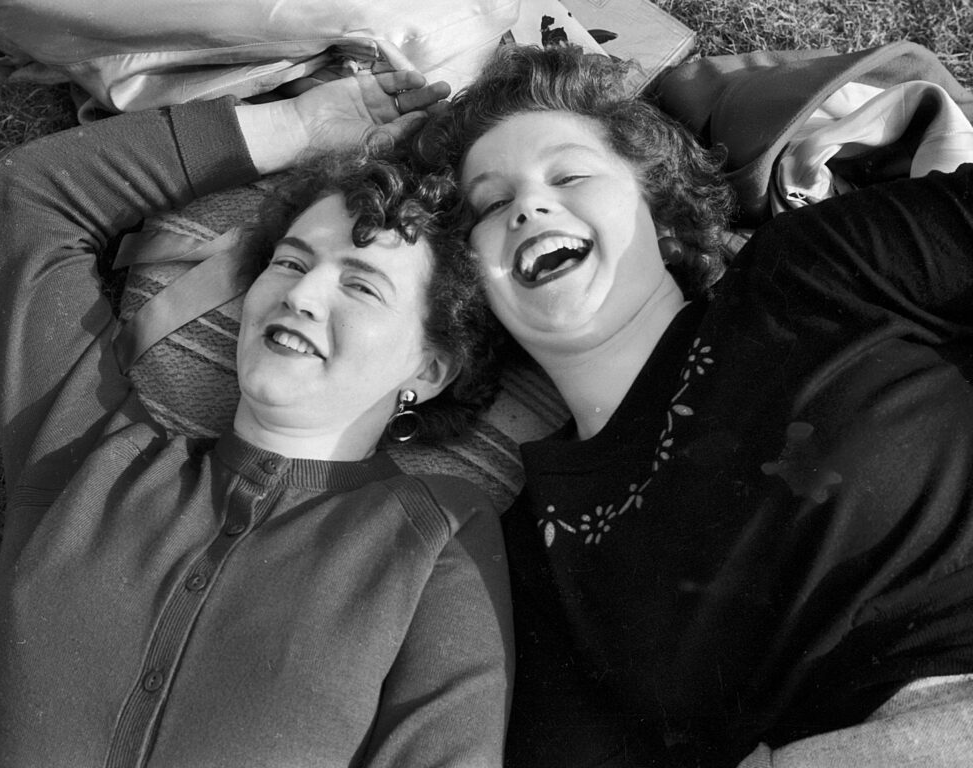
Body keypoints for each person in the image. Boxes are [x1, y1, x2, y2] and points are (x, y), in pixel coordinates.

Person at [415, 43, 973, 767]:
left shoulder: (810, 272)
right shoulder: (533, 552)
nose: (529, 206)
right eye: (492, 204)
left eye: (572, 174)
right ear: (474, 284)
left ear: (658, 204)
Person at [0, 69, 512, 767]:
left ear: (428, 371)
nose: (302, 293)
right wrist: (293, 129)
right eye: (289, 261)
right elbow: (34, 197)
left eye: (361, 285)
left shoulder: (433, 538)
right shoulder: (88, 451)